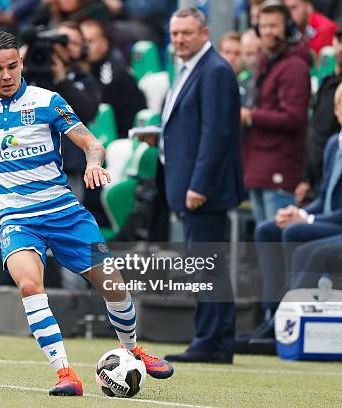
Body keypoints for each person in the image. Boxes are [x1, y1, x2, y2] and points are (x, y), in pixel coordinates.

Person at [0, 31, 173, 397]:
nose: (6, 75)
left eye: (12, 66)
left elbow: (91, 142)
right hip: (17, 218)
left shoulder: (48, 101)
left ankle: (133, 349)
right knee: (30, 285)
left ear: (21, 64)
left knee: (112, 283)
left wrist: (94, 163)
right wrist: (5, 189)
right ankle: (65, 374)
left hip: (64, 212)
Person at [158, 8, 244, 364]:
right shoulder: (192, 68)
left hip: (204, 189)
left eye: (186, 33)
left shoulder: (215, 70)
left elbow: (216, 135)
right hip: (192, 183)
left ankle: (210, 340)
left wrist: (199, 185)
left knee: (205, 265)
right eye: (175, 33)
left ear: (204, 32)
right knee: (208, 265)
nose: (179, 39)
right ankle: (218, 340)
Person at [245, 82, 342, 344]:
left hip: (336, 226)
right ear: (335, 110)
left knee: (297, 232)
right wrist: (297, 211)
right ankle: (270, 311)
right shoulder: (334, 144)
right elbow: (324, 198)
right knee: (267, 228)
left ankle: (286, 321)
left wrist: (306, 219)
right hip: (328, 222)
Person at [241, 1, 312, 223]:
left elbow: (294, 117)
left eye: (274, 26)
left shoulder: (295, 67)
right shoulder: (266, 62)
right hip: (258, 166)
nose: (268, 32)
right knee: (264, 241)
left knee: (276, 246)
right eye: (263, 26)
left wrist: (251, 116)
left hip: (280, 168)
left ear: (288, 28)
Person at [296, 29, 342, 204]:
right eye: (338, 41)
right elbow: (315, 132)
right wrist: (307, 178)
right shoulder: (327, 82)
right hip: (318, 179)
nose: (340, 48)